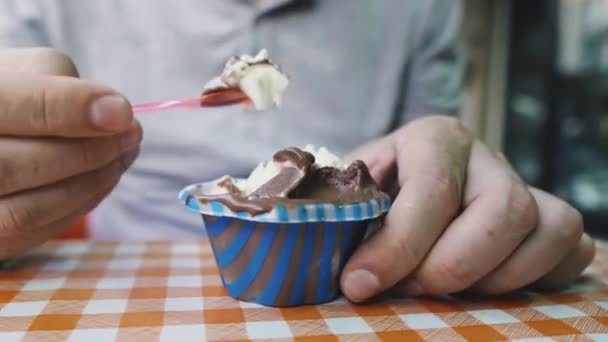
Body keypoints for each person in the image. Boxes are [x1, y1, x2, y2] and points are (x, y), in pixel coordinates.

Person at [0, 0, 595, 303]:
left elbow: (425, 169)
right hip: (123, 289)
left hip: (343, 293)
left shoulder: (421, 8)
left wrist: (451, 178)